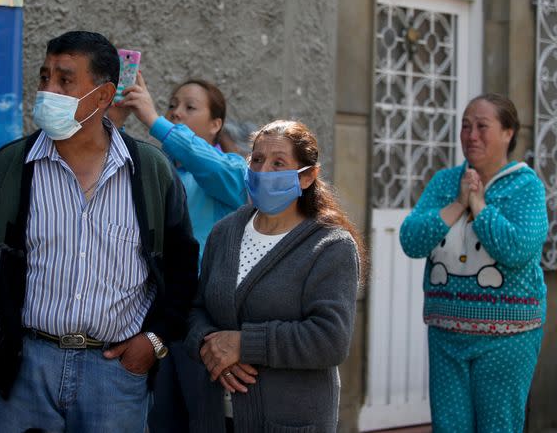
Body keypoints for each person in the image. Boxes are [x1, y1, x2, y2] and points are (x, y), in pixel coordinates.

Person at [0, 31, 199, 433]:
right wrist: (2, 331)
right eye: (44, 77)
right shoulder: (10, 167)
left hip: (116, 374)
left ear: (103, 97)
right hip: (26, 368)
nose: (48, 90)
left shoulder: (151, 172)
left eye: (65, 80)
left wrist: (152, 343)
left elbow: (183, 271)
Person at [186, 119, 362, 433]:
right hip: (217, 415)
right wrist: (207, 346)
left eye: (278, 163)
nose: (263, 171)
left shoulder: (330, 246)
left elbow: (330, 339)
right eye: (257, 159)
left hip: (290, 421)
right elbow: (197, 309)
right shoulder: (225, 232)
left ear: (307, 177)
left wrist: (244, 344)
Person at [399, 93, 548, 433]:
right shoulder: (445, 182)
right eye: (465, 126)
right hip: (446, 336)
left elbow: (517, 249)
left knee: (498, 426)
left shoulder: (525, 187)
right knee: (449, 427)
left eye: (482, 126)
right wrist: (457, 203)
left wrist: (478, 206)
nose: (471, 135)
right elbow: (411, 240)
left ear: (508, 133)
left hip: (507, 338)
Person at [109, 74, 248, 432]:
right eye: (171, 106)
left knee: (203, 417)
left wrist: (154, 121)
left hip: (204, 317)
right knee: (160, 417)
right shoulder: (159, 169)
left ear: (216, 124)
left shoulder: (230, 171)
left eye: (189, 107)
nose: (176, 113)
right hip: (160, 313)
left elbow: (210, 166)